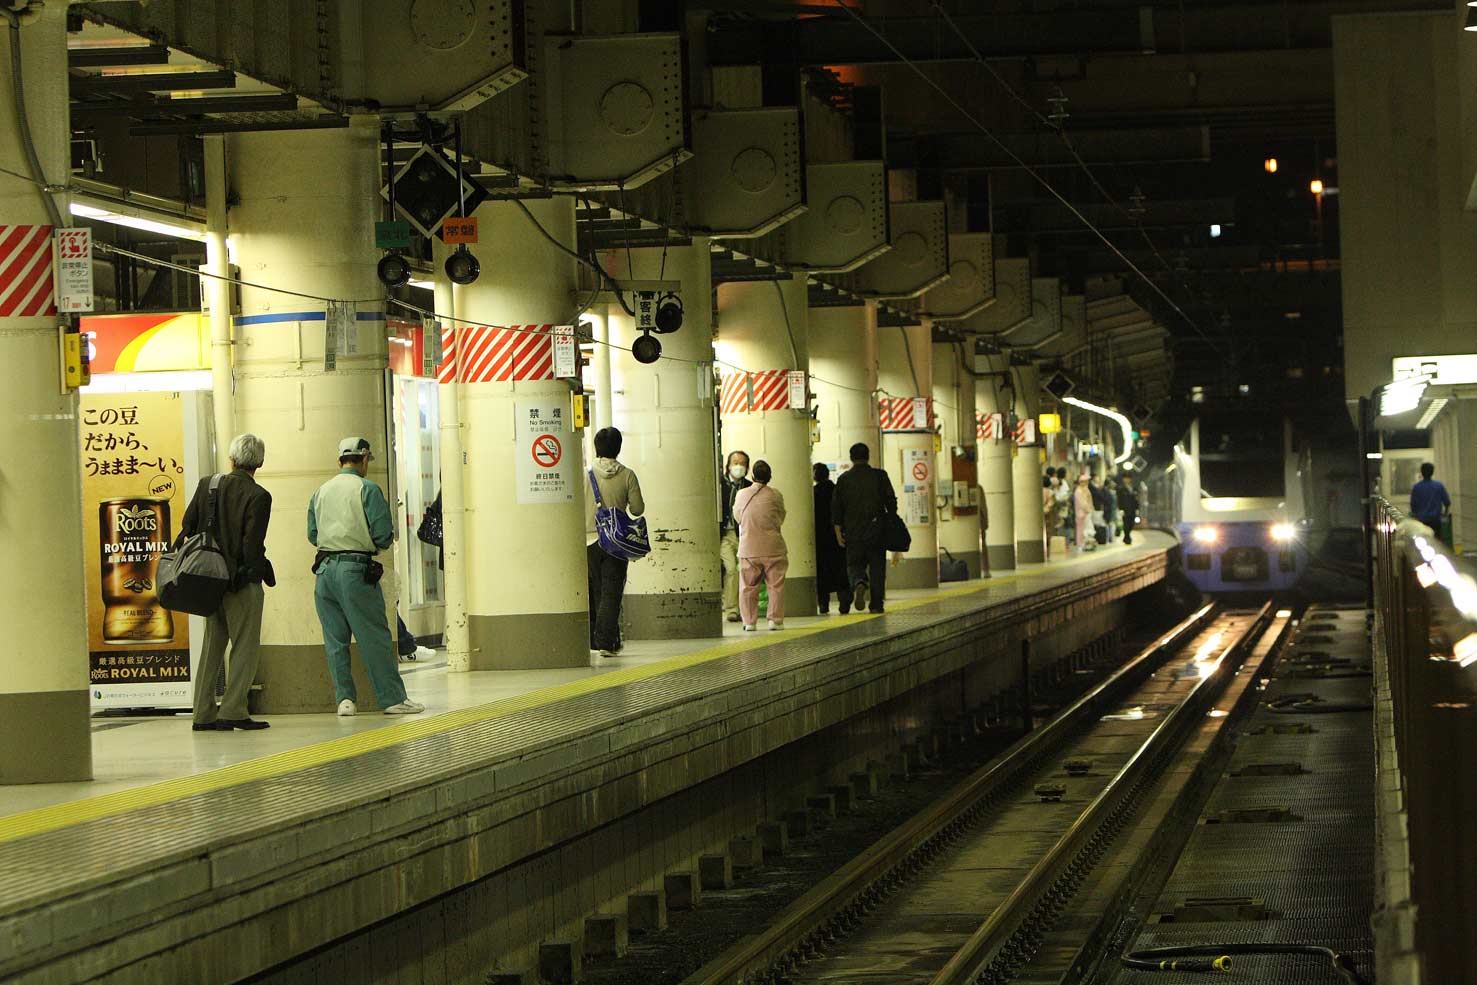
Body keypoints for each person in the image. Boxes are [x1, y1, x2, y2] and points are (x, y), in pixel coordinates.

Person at [308, 437, 424, 716]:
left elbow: (312, 535)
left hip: (324, 573)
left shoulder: (320, 491)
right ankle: (392, 698)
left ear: (340, 461)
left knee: (335, 640)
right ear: (364, 460)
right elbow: (383, 535)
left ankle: (345, 700)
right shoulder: (368, 489)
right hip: (355, 571)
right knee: (374, 636)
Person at [181, 433, 275, 732]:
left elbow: (188, 527)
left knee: (212, 646)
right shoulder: (258, 496)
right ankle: (233, 709)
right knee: (244, 646)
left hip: (208, 580)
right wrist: (257, 572)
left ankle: (203, 713)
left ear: (231, 459)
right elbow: (251, 544)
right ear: (259, 463)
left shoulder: (207, 485)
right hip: (240, 582)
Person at [587, 426, 645, 657]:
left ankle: (597, 640)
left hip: (589, 541)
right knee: (611, 592)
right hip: (616, 542)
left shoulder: (585, 472)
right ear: (618, 448)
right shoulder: (628, 475)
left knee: (595, 591)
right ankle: (606, 643)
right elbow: (638, 509)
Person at [830, 442, 898, 614]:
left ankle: (859, 581)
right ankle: (876, 604)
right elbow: (891, 502)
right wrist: (890, 520)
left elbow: (837, 508)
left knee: (854, 564)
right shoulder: (880, 476)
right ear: (868, 456)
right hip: (877, 531)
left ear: (852, 458)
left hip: (853, 532)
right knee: (877, 569)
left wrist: (838, 532)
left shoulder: (844, 479)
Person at [735, 460, 788, 631]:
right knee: (775, 585)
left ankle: (749, 622)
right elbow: (781, 516)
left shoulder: (742, 494)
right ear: (769, 477)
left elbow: (738, 517)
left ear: (752, 475)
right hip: (773, 547)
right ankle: (775, 621)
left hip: (749, 547)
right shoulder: (776, 495)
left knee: (748, 587)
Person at [719, 450, 753, 623]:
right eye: (735, 462)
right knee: (731, 569)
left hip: (744, 534)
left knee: (745, 571)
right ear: (728, 466)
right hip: (724, 534)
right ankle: (732, 609)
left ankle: (744, 608)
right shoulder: (719, 485)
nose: (738, 466)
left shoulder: (749, 487)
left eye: (742, 463)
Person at [813, 462, 851, 614]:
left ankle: (823, 605)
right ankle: (844, 603)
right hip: (837, 537)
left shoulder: (813, 493)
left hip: (820, 539)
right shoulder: (836, 490)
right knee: (841, 571)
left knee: (822, 573)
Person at [1409, 462, 1451, 543]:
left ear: (1422, 472)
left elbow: (1413, 506)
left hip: (1421, 522)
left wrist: (1416, 515)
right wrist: (1444, 515)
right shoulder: (1439, 486)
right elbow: (1447, 502)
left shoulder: (1417, 487)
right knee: (1436, 543)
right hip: (1435, 521)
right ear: (1432, 472)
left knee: (1424, 544)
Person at [1074, 472, 1096, 553]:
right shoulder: (1078, 491)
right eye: (1085, 481)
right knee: (1080, 529)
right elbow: (1082, 503)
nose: (1087, 482)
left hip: (1087, 513)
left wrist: (1090, 509)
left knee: (1087, 529)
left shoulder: (1086, 490)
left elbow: (1090, 501)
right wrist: (1088, 509)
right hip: (1081, 513)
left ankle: (1087, 544)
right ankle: (1080, 544)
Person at [1119, 476, 1140, 545]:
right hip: (1125, 510)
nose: (1126, 480)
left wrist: (1137, 509)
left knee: (1131, 524)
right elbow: (1119, 500)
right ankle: (1127, 538)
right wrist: (1120, 509)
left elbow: (1137, 500)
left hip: (1133, 510)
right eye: (1125, 478)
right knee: (1126, 524)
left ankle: (1127, 537)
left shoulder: (1134, 489)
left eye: (1128, 478)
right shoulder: (1121, 489)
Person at [1042, 475, 1058, 561]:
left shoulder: (1035, 490)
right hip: (1048, 517)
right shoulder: (1050, 492)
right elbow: (1051, 504)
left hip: (1037, 517)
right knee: (1048, 535)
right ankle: (1047, 554)